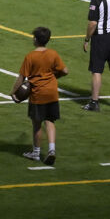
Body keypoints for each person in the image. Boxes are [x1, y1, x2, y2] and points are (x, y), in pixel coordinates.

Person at [13, 26, 67, 166]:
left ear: (36, 39)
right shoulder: (53, 54)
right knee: (50, 121)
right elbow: (64, 71)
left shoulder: (30, 56)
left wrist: (14, 92)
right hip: (52, 92)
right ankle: (51, 150)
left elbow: (22, 77)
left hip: (38, 94)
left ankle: (36, 153)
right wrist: (54, 77)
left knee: (37, 124)